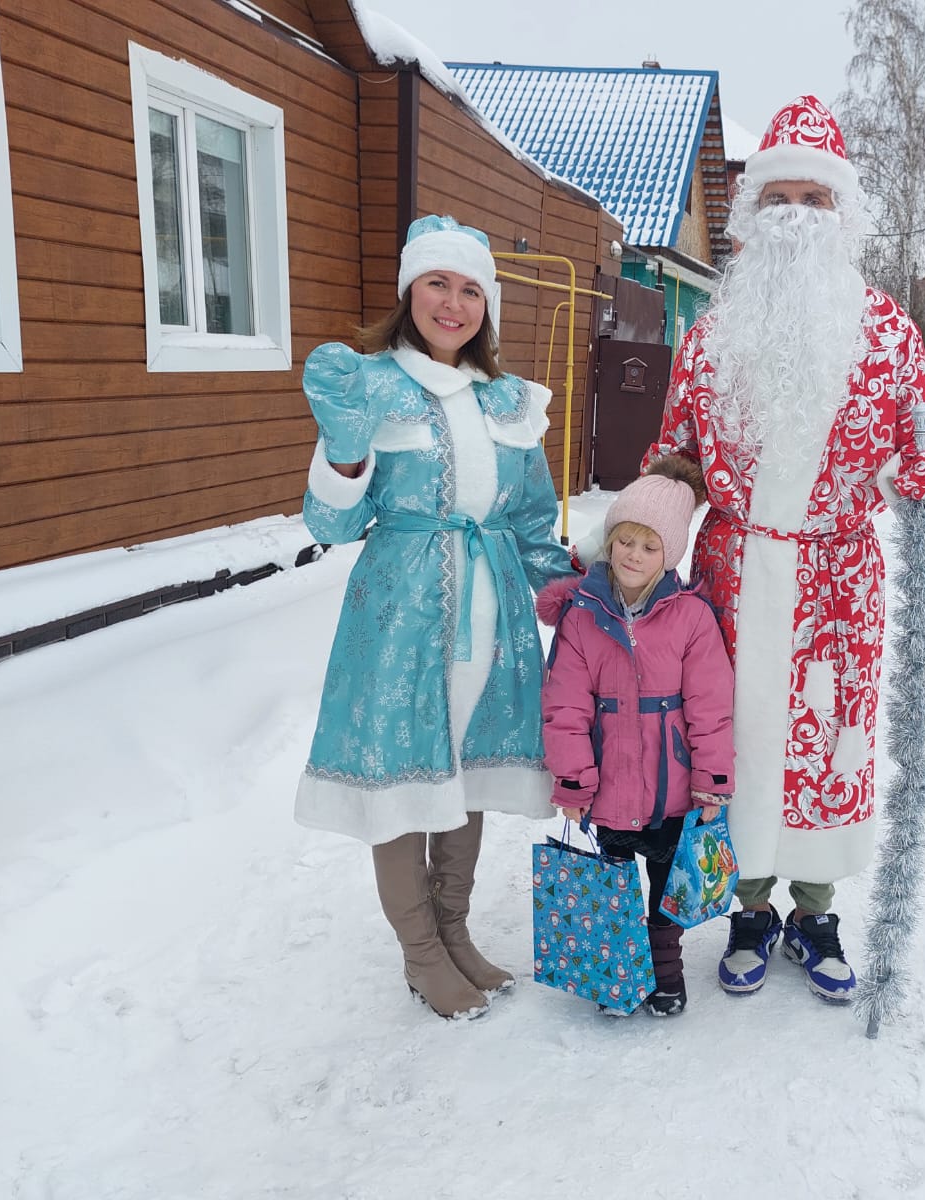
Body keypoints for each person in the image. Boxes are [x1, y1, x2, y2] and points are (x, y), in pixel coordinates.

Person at [643, 96, 925, 1003]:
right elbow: (673, 459)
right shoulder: (709, 337)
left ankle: (815, 910)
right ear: (750, 216)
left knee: (829, 740)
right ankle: (749, 908)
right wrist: (633, 555)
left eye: (813, 200)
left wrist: (917, 463)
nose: (794, 214)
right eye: (777, 196)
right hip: (732, 577)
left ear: (841, 214)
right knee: (731, 738)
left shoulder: (891, 335)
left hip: (837, 576)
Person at [295, 215, 578, 1020]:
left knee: (469, 770)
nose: (452, 304)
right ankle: (421, 953)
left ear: (486, 305)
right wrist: (345, 450)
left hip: (492, 613)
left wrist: (579, 594)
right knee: (403, 776)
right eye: (436, 284)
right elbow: (331, 526)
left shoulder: (508, 401)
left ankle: (454, 932)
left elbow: (527, 522)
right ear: (408, 292)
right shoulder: (370, 385)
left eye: (468, 289)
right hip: (401, 616)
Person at [536, 456, 735, 1017]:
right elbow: (566, 706)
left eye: (650, 547)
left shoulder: (691, 618)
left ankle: (665, 969)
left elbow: (711, 707)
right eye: (625, 540)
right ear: (610, 541)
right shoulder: (583, 616)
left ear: (668, 554)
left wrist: (712, 779)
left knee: (666, 885)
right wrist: (573, 780)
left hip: (672, 789)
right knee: (615, 881)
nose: (633, 556)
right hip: (609, 787)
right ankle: (617, 965)